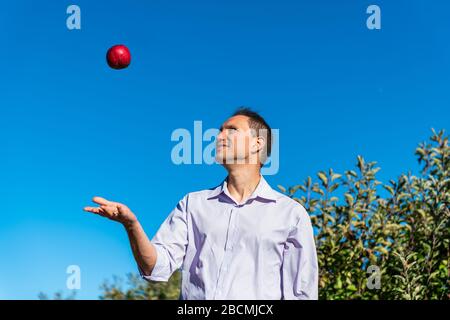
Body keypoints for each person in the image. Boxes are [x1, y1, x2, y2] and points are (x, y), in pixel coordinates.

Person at [83, 107, 318, 299]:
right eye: (220, 131)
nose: (219, 136)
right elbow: (156, 268)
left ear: (257, 144)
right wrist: (131, 225)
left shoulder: (290, 214)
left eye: (232, 130)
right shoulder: (193, 204)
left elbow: (302, 293)